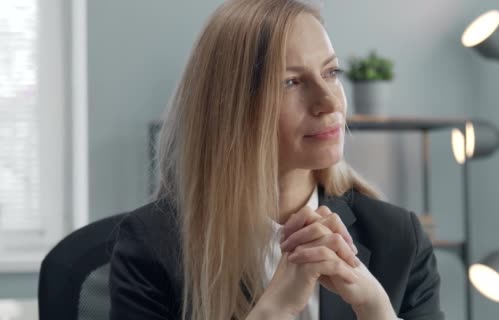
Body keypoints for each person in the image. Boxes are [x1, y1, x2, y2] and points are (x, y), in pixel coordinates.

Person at [109, 0, 444, 319]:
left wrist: (377, 311)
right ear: (232, 108)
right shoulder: (152, 245)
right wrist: (274, 310)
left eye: (331, 72)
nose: (329, 102)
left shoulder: (400, 238)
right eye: (291, 82)